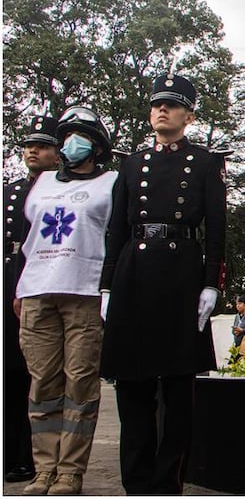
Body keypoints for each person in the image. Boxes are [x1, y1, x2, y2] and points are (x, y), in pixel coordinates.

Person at [100, 73, 227, 494]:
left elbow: (216, 230)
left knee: (177, 387)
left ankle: (167, 483)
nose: (161, 110)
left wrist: (211, 283)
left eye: (171, 105)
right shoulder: (131, 164)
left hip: (180, 274)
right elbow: (117, 230)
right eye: (157, 103)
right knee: (131, 386)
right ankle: (135, 483)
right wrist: (107, 285)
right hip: (133, 273)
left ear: (189, 116)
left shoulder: (206, 163)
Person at [17, 108, 117, 495]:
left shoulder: (110, 183)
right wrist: (17, 290)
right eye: (67, 135)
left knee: (80, 384)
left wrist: (109, 290)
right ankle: (44, 470)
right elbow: (24, 240)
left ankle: (70, 472)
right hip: (37, 290)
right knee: (43, 383)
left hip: (83, 293)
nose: (72, 142)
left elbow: (116, 237)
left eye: (82, 135)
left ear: (97, 146)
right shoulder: (41, 183)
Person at [3, 115, 59, 484]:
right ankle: (9, 453)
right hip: (8, 278)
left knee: (36, 375)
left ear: (57, 153)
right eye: (28, 145)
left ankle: (31, 457)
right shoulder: (10, 191)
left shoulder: (59, 191)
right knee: (8, 372)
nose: (32, 151)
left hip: (41, 279)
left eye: (41, 146)